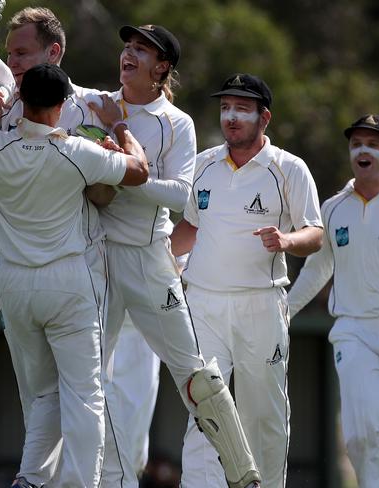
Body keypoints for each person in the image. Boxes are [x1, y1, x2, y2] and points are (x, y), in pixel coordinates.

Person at [0, 7, 161, 483]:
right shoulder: (69, 144)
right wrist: (120, 133)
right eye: (8, 56)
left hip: (23, 280)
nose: (14, 63)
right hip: (68, 278)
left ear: (54, 51)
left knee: (49, 395)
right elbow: (140, 172)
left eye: (20, 54)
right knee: (79, 393)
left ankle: (32, 480)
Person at [88, 29, 261, 488]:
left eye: (141, 50)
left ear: (161, 67)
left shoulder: (174, 122)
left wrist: (121, 166)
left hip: (149, 261)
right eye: (127, 46)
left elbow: (182, 195)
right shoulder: (94, 103)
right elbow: (32, 85)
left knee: (196, 377)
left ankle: (245, 477)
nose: (128, 53)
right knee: (83, 378)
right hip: (96, 259)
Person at [171, 73, 323, 488]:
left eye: (242, 109)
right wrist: (158, 258)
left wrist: (286, 240)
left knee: (262, 415)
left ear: (264, 117)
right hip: (203, 303)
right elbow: (190, 226)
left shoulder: (288, 169)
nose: (231, 117)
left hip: (261, 305)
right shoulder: (202, 165)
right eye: (225, 108)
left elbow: (315, 233)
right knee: (205, 408)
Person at [288, 114, 379, 488]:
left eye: (373, 144)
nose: (362, 150)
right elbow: (317, 270)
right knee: (360, 433)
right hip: (353, 331)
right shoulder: (332, 209)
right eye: (356, 143)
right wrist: (281, 315)